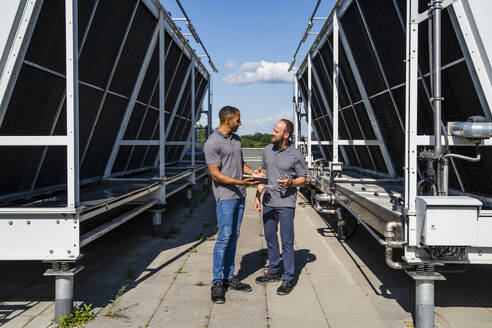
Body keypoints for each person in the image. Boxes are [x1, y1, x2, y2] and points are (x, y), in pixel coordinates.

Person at [203, 105, 261, 304]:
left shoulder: (236, 139)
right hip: (225, 196)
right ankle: (217, 282)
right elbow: (215, 173)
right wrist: (239, 182)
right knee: (224, 237)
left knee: (234, 236)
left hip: (240, 195)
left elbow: (240, 163)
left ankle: (229, 276)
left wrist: (253, 173)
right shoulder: (212, 142)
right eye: (238, 120)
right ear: (228, 120)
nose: (241, 122)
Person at [254, 119, 307, 295]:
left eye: (277, 131)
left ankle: (288, 278)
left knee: (287, 241)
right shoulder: (267, 151)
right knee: (270, 238)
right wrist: (257, 195)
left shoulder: (295, 154)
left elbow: (303, 179)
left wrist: (291, 182)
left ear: (286, 135)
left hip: (285, 204)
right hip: (268, 202)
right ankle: (274, 271)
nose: (272, 133)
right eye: (273, 130)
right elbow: (264, 174)